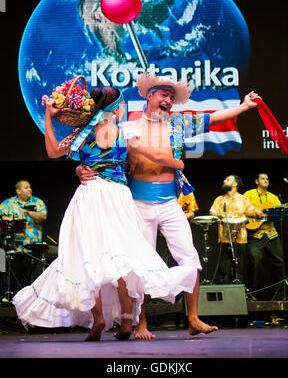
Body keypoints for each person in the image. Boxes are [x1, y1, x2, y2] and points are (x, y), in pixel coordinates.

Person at [77, 72, 263, 339]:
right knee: (138, 264)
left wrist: (244, 106)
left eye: (172, 98)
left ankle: (194, 319)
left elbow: (214, 118)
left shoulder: (179, 123)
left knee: (190, 258)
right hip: (137, 203)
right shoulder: (128, 127)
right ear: (150, 95)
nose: (168, 101)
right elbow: (94, 151)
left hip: (170, 203)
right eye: (164, 95)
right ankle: (141, 323)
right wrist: (80, 169)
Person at [13, 85, 197, 342]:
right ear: (116, 107)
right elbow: (151, 154)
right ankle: (125, 319)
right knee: (123, 254)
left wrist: (47, 116)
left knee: (90, 255)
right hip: (116, 196)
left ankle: (98, 317)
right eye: (122, 104)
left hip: (89, 195)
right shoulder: (124, 132)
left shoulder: (83, 136)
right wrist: (176, 163)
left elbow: (53, 151)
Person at [209, 175, 264, 285]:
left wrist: (250, 213)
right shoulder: (219, 199)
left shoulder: (243, 199)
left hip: (240, 238)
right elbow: (212, 212)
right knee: (224, 269)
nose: (224, 181)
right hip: (224, 238)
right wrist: (221, 214)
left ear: (235, 184)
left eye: (228, 179)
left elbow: (252, 211)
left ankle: (241, 292)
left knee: (240, 269)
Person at [0, 181, 47, 296]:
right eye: (26, 187)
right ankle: (10, 299)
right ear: (18, 191)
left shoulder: (37, 202)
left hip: (32, 247)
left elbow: (42, 216)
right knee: (13, 275)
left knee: (28, 278)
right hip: (13, 247)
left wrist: (28, 212)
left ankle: (29, 300)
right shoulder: (7, 203)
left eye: (30, 187)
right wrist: (8, 219)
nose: (29, 189)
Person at [244, 173, 286, 299]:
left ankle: (279, 294)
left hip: (271, 234)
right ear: (256, 181)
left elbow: (280, 212)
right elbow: (241, 209)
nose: (266, 180)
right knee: (256, 264)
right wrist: (255, 213)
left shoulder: (273, 197)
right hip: (255, 235)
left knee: (280, 263)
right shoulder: (249, 194)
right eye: (263, 178)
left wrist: (285, 209)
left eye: (267, 178)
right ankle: (254, 295)